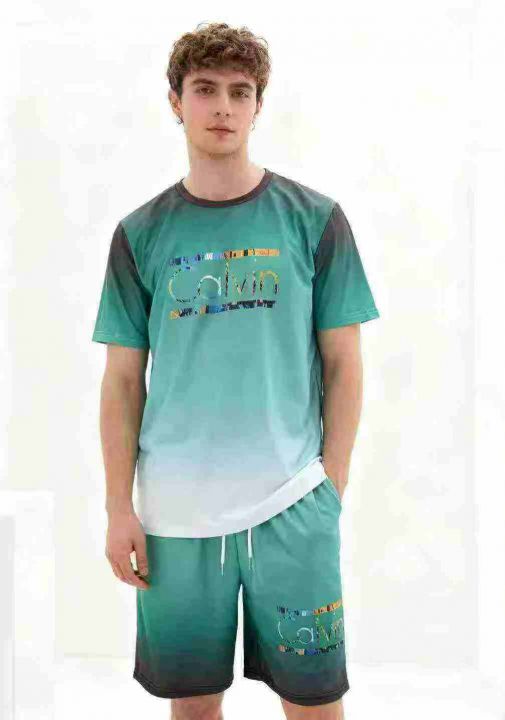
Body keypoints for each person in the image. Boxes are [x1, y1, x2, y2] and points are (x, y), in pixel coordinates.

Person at [92, 21, 380, 720]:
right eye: (205, 89)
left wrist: (331, 485)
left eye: (239, 92)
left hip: (293, 502)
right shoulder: (140, 234)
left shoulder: (314, 220)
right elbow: (123, 380)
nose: (222, 106)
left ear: (257, 105)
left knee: (314, 704)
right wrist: (118, 507)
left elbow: (344, 362)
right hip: (176, 514)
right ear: (176, 101)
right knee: (193, 707)